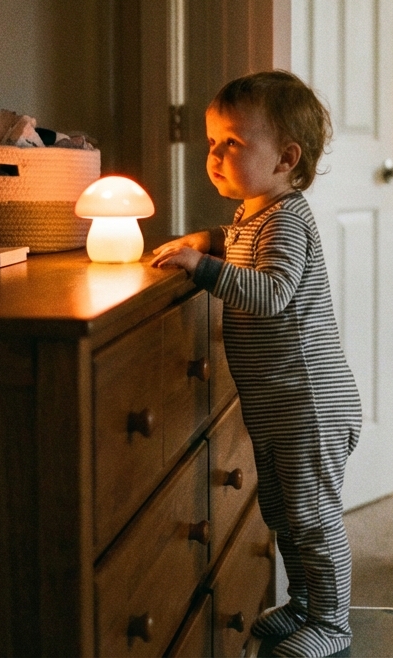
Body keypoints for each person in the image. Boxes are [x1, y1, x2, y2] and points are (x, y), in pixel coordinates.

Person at [152, 70, 362, 658]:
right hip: (279, 406)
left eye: (233, 144)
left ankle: (333, 619)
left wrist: (202, 266)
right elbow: (241, 238)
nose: (214, 156)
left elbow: (270, 292)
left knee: (313, 517)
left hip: (310, 405)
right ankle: (304, 604)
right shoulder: (255, 215)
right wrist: (212, 239)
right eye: (212, 143)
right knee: (283, 510)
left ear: (285, 158)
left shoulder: (288, 219)